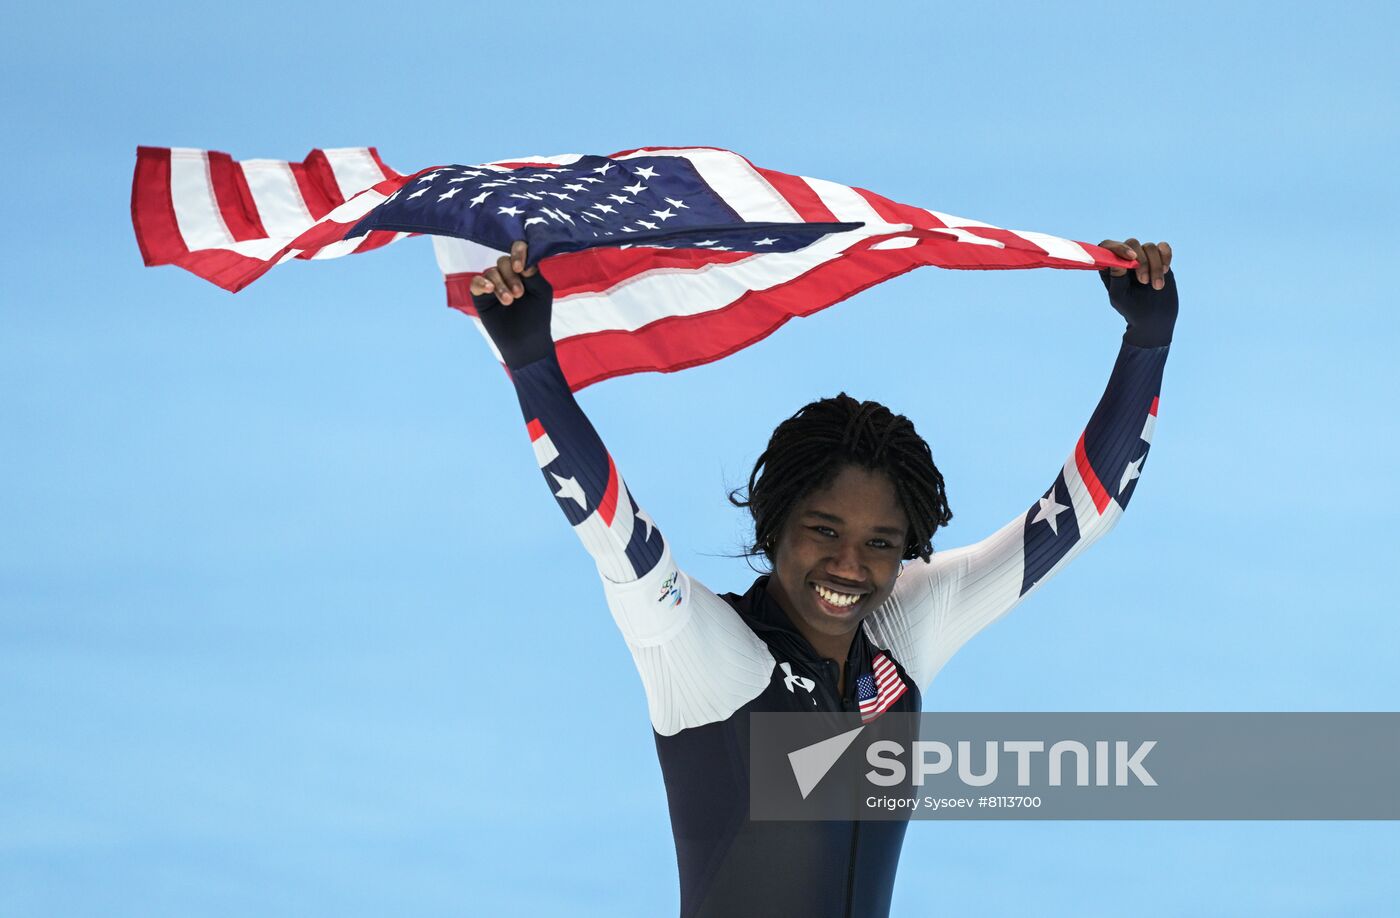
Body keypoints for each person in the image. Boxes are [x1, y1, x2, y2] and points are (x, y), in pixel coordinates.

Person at [469, 237, 1176, 918]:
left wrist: (1146, 343)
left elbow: (1080, 516)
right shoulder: (709, 658)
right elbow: (617, 534)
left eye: (880, 543)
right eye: (825, 531)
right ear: (775, 523)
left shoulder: (902, 632)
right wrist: (533, 364)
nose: (849, 566)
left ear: (909, 548)